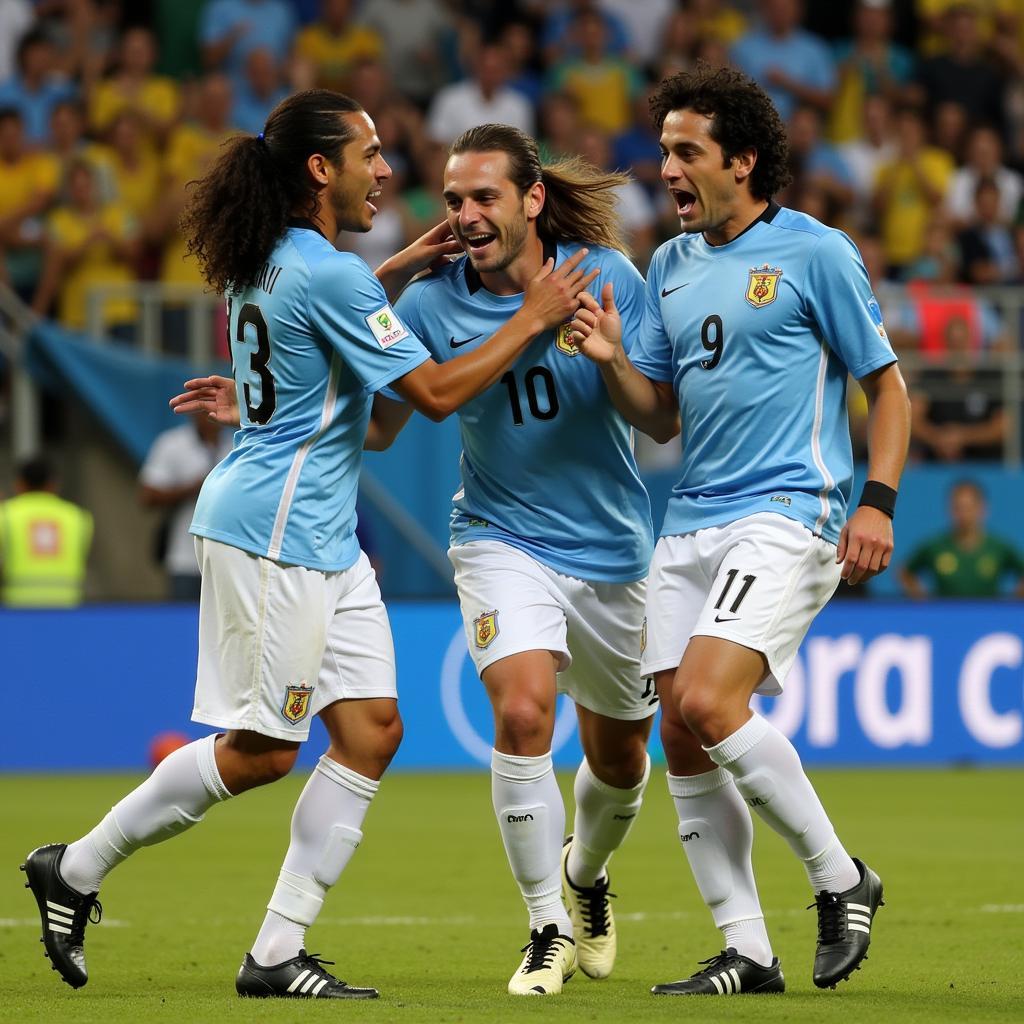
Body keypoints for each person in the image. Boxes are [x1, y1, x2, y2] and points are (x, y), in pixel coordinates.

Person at [21, 89, 596, 1001]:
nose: (386, 170)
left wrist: (402, 262)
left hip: (324, 542)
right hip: (274, 538)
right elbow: (436, 395)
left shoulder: (281, 259)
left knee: (371, 733)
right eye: (370, 154)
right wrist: (530, 318)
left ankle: (277, 950)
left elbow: (323, 330)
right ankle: (77, 867)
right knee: (260, 751)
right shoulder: (326, 274)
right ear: (321, 170)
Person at [173, 122, 659, 998]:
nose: (465, 216)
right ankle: (546, 923)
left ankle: (586, 874)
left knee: (621, 760)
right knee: (520, 715)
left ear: (532, 199)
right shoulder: (432, 302)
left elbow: (660, 418)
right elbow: (390, 419)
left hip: (612, 549)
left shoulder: (606, 276)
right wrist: (264, 408)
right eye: (454, 200)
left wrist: (614, 358)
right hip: (499, 535)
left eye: (484, 198)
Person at [569, 64, 911, 996]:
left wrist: (876, 501)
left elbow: (886, 386)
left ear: (743, 160)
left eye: (686, 151)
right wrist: (609, 360)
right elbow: (661, 416)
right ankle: (747, 950)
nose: (666, 167)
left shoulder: (815, 252)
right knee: (680, 735)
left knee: (712, 705)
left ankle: (842, 879)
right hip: (685, 525)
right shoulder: (668, 267)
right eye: (664, 149)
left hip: (786, 510)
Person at [139, 411, 232, 601]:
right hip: (185, 558)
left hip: (229, 558)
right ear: (193, 413)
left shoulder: (237, 445)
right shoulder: (172, 443)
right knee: (184, 623)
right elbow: (148, 496)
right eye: (206, 410)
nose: (212, 416)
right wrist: (194, 488)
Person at [900, 479, 1024, 598]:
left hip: (989, 618)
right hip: (945, 617)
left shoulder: (999, 547)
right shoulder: (935, 546)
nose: (964, 514)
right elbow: (905, 572)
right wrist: (924, 604)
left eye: (969, 507)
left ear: (983, 508)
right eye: (958, 508)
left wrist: (1012, 606)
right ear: (950, 509)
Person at [0, 455, 92, 607]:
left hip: (18, 610)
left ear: (19, 484)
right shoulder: (79, 517)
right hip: (68, 607)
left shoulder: (5, 515)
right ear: (53, 484)